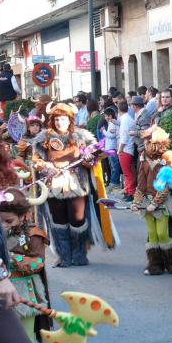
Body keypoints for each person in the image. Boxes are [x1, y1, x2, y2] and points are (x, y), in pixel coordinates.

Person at [32, 103, 117, 267]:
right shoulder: (44, 137)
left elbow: (93, 159)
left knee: (77, 220)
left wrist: (89, 159)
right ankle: (64, 256)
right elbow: (36, 161)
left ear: (70, 119)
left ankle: (79, 255)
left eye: (63, 119)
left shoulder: (82, 136)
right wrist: (46, 166)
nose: (59, 122)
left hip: (76, 183)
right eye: (56, 119)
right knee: (58, 220)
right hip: (54, 185)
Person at [0, 186, 52, 343]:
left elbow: (38, 262)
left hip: (25, 291)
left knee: (26, 336)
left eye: (9, 221)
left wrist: (10, 258)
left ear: (23, 216)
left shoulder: (33, 233)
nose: (4, 225)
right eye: (0, 220)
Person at [131, 126, 172, 276]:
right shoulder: (143, 156)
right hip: (147, 200)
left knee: (162, 234)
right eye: (145, 141)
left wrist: (156, 203)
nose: (146, 144)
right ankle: (154, 264)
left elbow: (167, 184)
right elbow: (140, 182)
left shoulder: (169, 157)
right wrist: (136, 201)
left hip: (163, 202)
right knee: (152, 234)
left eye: (149, 141)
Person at [117, 101, 135, 202]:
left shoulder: (124, 120)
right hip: (128, 149)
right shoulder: (128, 118)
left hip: (125, 149)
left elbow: (123, 137)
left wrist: (119, 150)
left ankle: (130, 193)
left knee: (127, 173)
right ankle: (128, 191)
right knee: (127, 173)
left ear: (119, 110)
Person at [102, 107, 121, 190]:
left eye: (106, 116)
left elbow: (111, 135)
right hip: (110, 148)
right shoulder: (111, 123)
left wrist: (103, 131)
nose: (105, 118)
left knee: (114, 165)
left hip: (112, 148)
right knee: (112, 165)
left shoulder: (112, 123)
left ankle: (114, 182)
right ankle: (113, 181)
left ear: (110, 115)